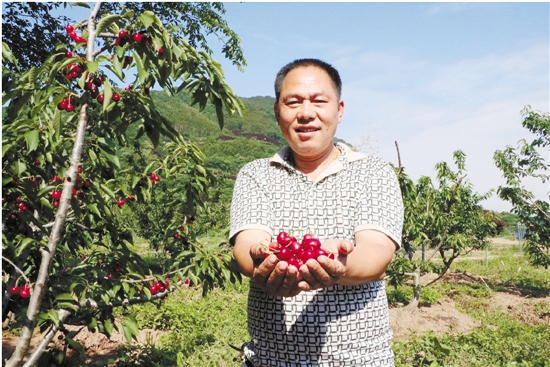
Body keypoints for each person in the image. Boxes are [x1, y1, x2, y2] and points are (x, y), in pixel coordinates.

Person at [230, 58, 404, 367]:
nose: (306, 113)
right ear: (276, 111)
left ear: (339, 110)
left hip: (360, 361)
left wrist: (333, 264)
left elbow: (376, 253)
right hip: (269, 360)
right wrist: (261, 261)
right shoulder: (256, 174)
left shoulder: (374, 173)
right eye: (293, 102)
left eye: (318, 101)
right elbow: (248, 243)